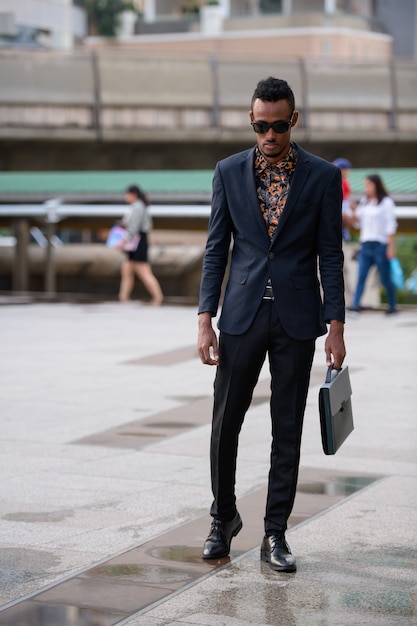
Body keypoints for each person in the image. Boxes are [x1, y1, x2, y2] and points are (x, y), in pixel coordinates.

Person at [197, 77, 346, 573]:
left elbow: (331, 253)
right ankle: (223, 519)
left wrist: (337, 324)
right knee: (225, 424)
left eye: (278, 126)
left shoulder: (322, 177)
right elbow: (217, 248)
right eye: (261, 126)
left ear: (293, 121)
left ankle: (275, 534)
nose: (269, 135)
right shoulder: (228, 172)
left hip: (297, 319)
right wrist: (205, 318)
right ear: (251, 120)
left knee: (287, 427)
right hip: (241, 314)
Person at [349, 174, 398, 315]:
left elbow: (391, 225)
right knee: (361, 275)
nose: (367, 188)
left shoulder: (386, 202)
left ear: (376, 185)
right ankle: (356, 305)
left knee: (385, 277)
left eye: (368, 185)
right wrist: (353, 211)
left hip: (380, 245)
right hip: (365, 245)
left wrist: (391, 246)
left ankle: (392, 305)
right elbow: (358, 224)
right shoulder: (365, 201)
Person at [118, 185, 163, 306]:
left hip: (137, 241)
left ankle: (158, 297)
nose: (125, 197)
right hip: (134, 241)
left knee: (143, 271)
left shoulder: (138, 207)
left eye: (127, 194)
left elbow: (134, 227)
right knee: (126, 270)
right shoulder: (135, 207)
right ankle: (123, 297)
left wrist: (123, 241)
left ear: (133, 194)